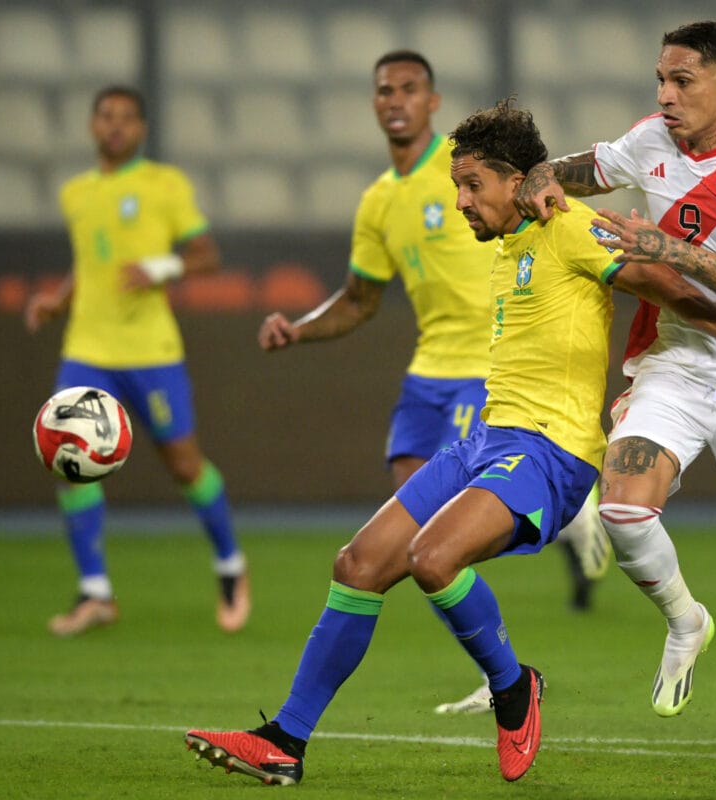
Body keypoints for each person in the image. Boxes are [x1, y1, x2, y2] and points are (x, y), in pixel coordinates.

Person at [184, 98, 716, 787]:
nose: (462, 202)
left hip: (553, 452)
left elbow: (672, 289)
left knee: (433, 559)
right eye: (456, 188)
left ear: (517, 182)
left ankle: (513, 687)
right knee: (358, 564)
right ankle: (286, 739)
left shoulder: (572, 229)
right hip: (486, 439)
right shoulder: (505, 245)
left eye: (472, 187)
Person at [515, 20, 716, 782]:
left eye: (682, 81)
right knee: (624, 507)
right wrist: (536, 178)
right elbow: (573, 166)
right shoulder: (647, 142)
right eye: (660, 79)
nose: (665, 95)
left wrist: (659, 246)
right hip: (675, 361)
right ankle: (685, 619)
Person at [256, 50, 612, 715]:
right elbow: (360, 299)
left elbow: (557, 206)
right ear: (373, 103)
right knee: (386, 555)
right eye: (384, 89)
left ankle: (506, 667)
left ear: (432, 101)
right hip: (426, 377)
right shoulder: (379, 202)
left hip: (494, 378)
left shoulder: (475, 174)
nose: (395, 99)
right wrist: (299, 328)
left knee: (437, 549)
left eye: (409, 88)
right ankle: (495, 659)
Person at [24, 86, 250, 637]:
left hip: (151, 351)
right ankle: (95, 592)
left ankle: (230, 565)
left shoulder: (164, 185)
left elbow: (206, 255)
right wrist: (59, 297)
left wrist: (162, 268)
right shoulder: (76, 193)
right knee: (68, 459)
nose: (116, 126)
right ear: (92, 126)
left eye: (127, 118)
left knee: (183, 465)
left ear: (142, 129)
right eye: (107, 117)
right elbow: (92, 263)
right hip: (87, 350)